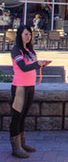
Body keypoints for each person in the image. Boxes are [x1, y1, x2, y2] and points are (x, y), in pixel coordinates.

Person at [9, 25, 51, 158]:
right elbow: (22, 67)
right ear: (20, 35)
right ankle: (16, 148)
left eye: (30, 34)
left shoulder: (29, 50)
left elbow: (31, 66)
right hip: (20, 87)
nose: (28, 36)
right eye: (26, 34)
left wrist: (41, 64)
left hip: (30, 86)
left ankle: (22, 144)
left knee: (23, 116)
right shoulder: (16, 50)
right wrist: (37, 64)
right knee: (17, 117)